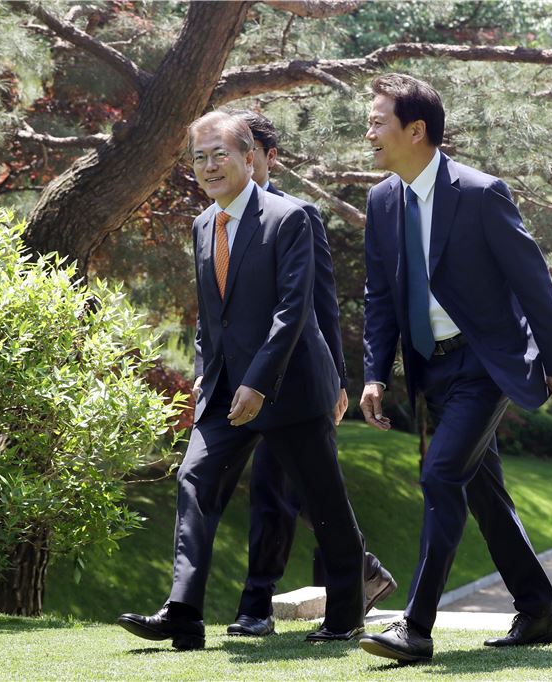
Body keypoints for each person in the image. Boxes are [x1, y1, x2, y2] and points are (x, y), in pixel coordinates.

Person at [117, 112, 366, 650]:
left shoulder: (290, 217)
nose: (209, 166)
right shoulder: (202, 224)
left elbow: (293, 310)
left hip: (290, 388)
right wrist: (206, 374)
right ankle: (183, 613)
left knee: (324, 502)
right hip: (225, 391)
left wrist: (259, 382)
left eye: (220, 155)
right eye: (199, 158)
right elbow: (212, 317)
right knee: (194, 479)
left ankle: (346, 616)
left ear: (249, 159)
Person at [355, 74, 552, 663]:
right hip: (432, 369)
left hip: (485, 364)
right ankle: (538, 611)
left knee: (440, 477)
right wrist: (375, 374)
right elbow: (380, 297)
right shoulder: (382, 201)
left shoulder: (481, 193)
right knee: (485, 495)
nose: (368, 132)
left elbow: (533, 283)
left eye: (377, 122)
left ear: (416, 130)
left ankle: (416, 626)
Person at [221, 109, 396, 639]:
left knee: (281, 489)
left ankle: (257, 606)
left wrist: (337, 379)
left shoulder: (299, 215)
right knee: (293, 489)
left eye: (249, 152)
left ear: (268, 158)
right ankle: (364, 573)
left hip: (293, 381)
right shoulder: (219, 218)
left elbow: (320, 303)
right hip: (240, 380)